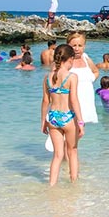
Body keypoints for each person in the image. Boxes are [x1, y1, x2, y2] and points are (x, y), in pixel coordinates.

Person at [41, 43, 83, 186]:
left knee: (57, 155)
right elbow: (74, 100)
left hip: (53, 118)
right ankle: (74, 183)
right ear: (70, 59)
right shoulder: (72, 77)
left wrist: (43, 121)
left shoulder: (47, 77)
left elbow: (45, 101)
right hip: (68, 118)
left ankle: (52, 185)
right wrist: (81, 122)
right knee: (73, 152)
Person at [66, 31, 100, 129]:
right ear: (68, 46)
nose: (77, 48)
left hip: (86, 100)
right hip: (70, 103)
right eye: (74, 45)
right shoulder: (65, 60)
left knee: (80, 132)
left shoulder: (85, 58)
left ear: (84, 46)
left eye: (80, 45)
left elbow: (96, 71)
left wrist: (90, 80)